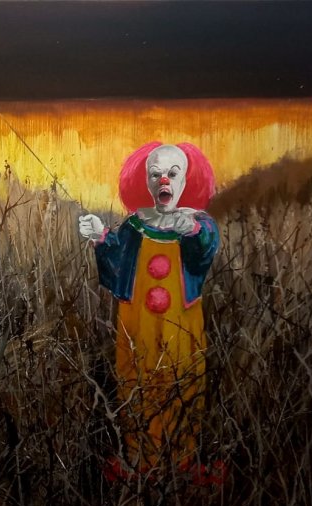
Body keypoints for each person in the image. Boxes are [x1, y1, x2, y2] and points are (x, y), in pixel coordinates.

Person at [79, 142, 219, 472]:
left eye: (172, 173)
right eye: (155, 174)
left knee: (181, 377)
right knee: (136, 376)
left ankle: (181, 459)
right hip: (137, 320)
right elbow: (116, 262)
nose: (163, 180)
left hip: (179, 322)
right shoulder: (135, 224)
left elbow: (204, 254)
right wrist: (100, 237)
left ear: (186, 179)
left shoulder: (197, 222)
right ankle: (139, 457)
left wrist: (193, 232)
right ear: (146, 181)